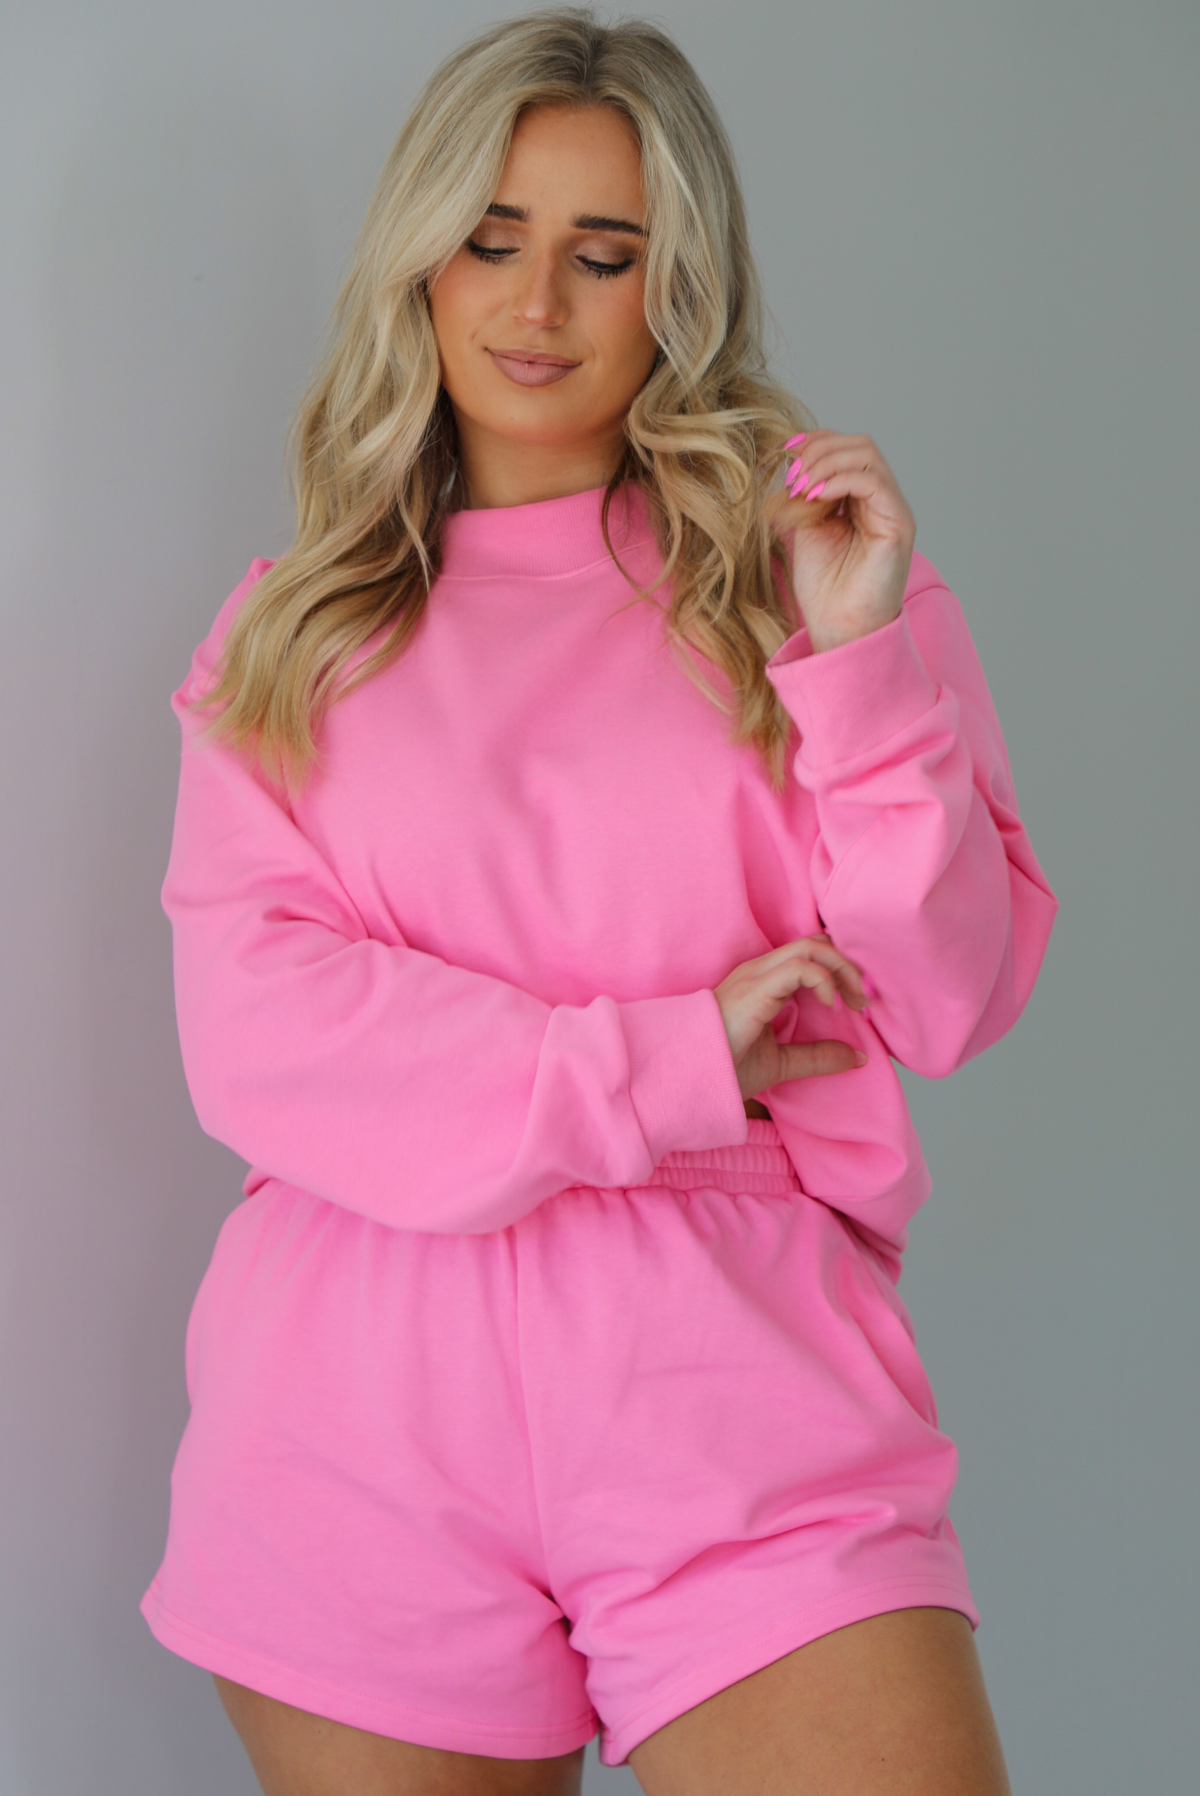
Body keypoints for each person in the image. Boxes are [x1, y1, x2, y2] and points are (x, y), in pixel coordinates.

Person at [141, 10, 1057, 1793]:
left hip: (739, 1393)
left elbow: (943, 995)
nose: (534, 300)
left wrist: (859, 665)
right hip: (356, 1402)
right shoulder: (293, 638)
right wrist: (656, 1055)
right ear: (419, 261)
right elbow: (262, 1031)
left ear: (676, 290)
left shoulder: (813, 593)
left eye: (602, 252)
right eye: (489, 237)